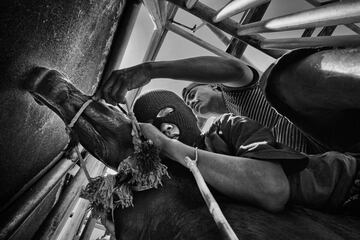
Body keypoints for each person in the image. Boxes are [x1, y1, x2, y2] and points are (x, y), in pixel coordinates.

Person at [96, 47, 360, 155]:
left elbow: (234, 71)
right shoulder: (224, 132)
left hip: (331, 131)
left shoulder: (243, 92)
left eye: (190, 95)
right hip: (319, 172)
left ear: (213, 86)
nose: (190, 104)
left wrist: (151, 70)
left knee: (279, 81)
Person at [131, 90, 359, 213]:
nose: (164, 127)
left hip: (346, 183)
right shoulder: (180, 181)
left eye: (166, 113)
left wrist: (167, 145)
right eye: (154, 126)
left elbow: (272, 188)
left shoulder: (224, 126)